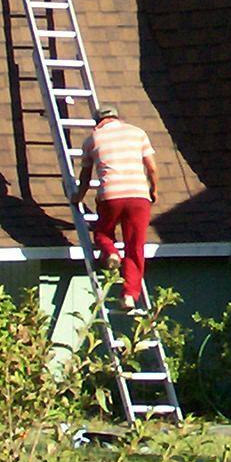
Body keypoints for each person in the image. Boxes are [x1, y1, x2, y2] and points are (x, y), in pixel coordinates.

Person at [73, 104, 159, 309]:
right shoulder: (138, 134)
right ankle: (129, 295)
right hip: (139, 197)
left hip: (111, 196)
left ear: (98, 122)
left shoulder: (92, 139)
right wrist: (153, 190)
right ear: (117, 118)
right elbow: (152, 168)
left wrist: (78, 197)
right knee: (134, 246)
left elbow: (85, 178)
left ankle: (111, 252)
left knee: (102, 233)